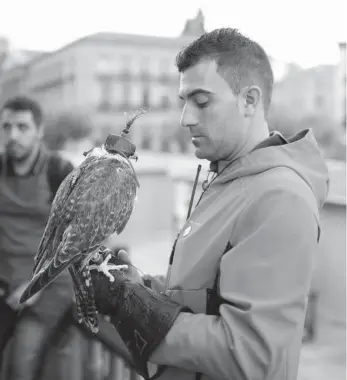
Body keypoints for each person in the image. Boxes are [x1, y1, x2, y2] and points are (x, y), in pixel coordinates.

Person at [90, 28, 330, 380]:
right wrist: (139, 286)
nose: (185, 118)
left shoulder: (280, 198)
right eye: (184, 101)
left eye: (201, 102)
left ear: (249, 100)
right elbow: (204, 294)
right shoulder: (229, 178)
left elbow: (254, 355)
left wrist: (137, 310)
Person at [0, 96, 74, 380]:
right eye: (6, 127)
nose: (13, 135)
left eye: (22, 127)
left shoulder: (59, 172)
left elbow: (76, 239)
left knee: (21, 363)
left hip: (48, 289)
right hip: (6, 288)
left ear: (39, 131)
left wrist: (35, 287)